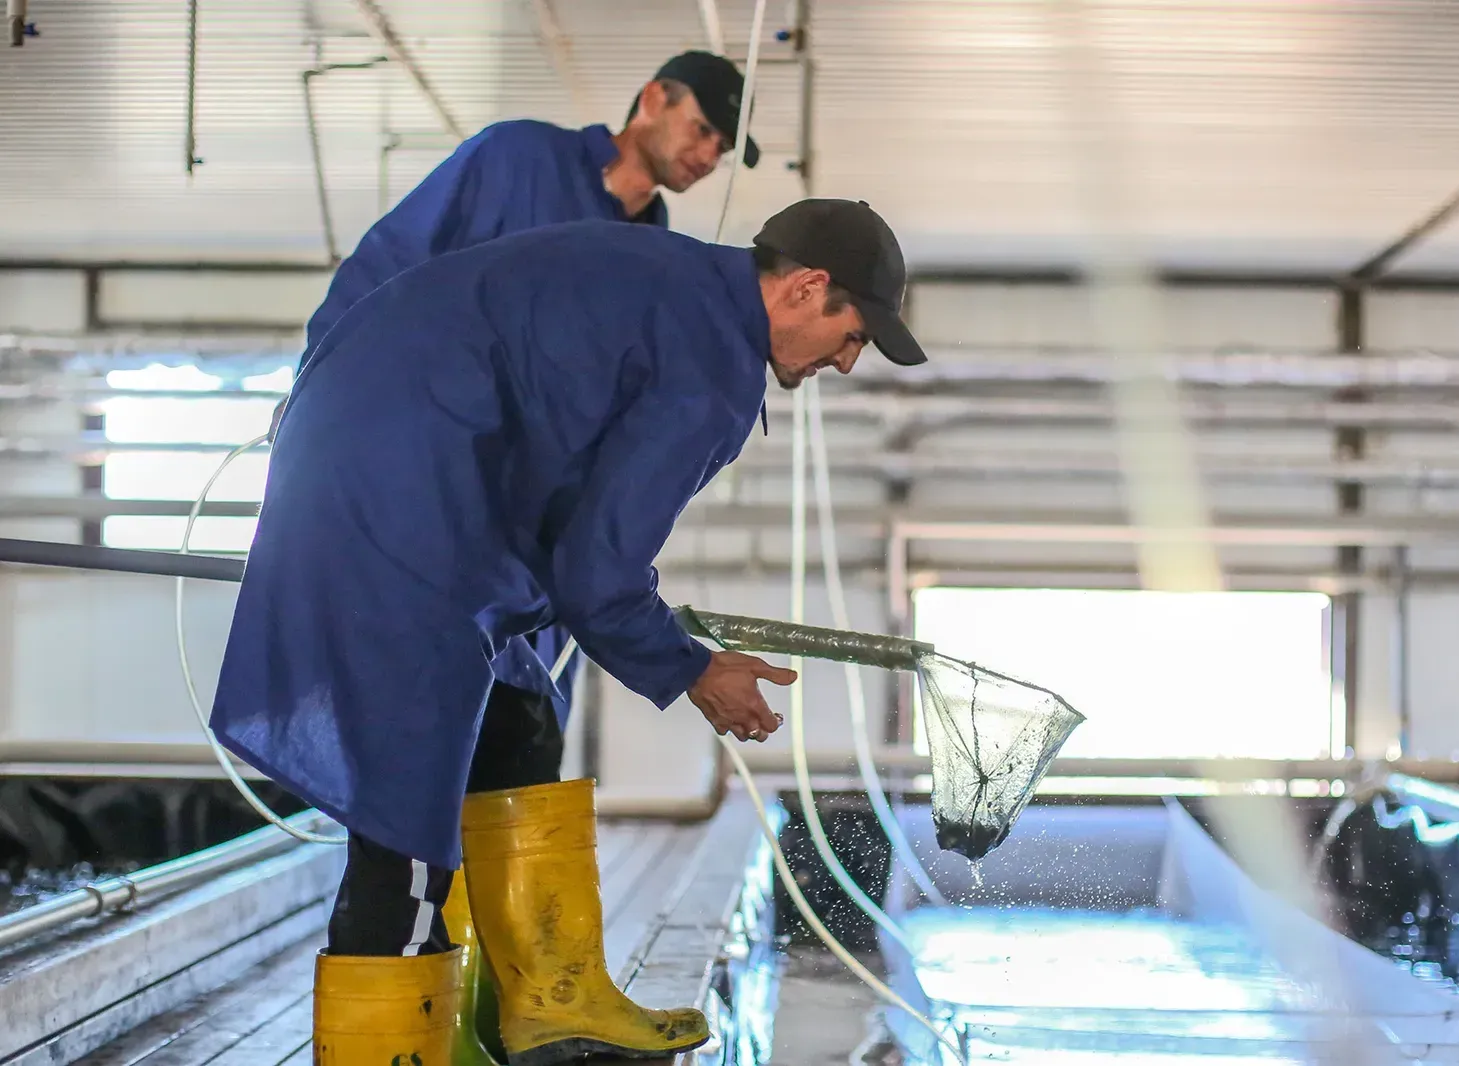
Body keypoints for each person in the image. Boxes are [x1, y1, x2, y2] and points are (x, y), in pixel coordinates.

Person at [212, 198, 927, 1064]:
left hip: (383, 467)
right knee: (406, 823)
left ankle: (554, 1003)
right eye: (853, 336)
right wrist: (693, 670)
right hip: (403, 512)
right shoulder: (710, 363)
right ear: (808, 288)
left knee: (519, 716)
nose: (846, 362)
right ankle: (387, 1050)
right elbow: (596, 575)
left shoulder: (670, 284)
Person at [281, 49, 762, 725]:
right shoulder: (518, 159)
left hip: (528, 573)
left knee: (523, 753)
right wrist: (316, 389)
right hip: (429, 507)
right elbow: (391, 265)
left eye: (723, 148)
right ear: (654, 98)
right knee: (401, 738)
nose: (710, 155)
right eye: (704, 130)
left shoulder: (659, 265)